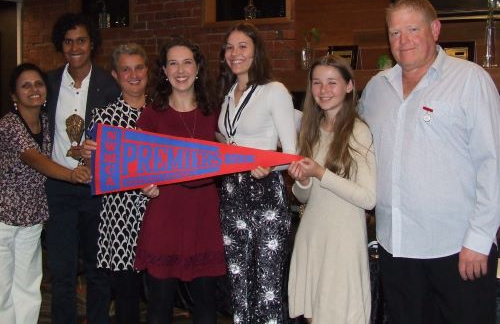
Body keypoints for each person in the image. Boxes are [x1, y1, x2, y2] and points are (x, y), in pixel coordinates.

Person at [360, 0, 500, 324]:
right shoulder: (377, 88)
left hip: (458, 250)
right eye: (395, 32)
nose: (403, 40)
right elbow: (348, 141)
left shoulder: (470, 80)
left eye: (412, 29)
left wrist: (480, 240)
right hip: (397, 249)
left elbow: (493, 162)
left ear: (435, 29)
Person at [133, 36, 226, 324]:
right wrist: (143, 185)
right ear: (163, 70)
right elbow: (136, 166)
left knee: (206, 309)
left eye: (187, 62)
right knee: (159, 308)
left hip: (204, 216)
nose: (180, 69)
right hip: (165, 216)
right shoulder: (151, 116)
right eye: (173, 63)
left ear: (198, 68)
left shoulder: (216, 112)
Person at [217, 22, 297, 324]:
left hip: (265, 195)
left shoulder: (273, 91)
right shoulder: (227, 96)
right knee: (238, 286)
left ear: (255, 52)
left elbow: (291, 153)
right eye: (229, 47)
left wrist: (268, 165)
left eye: (242, 46)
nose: (234, 53)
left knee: (267, 288)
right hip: (230, 195)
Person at [287, 55, 376, 323]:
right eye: (317, 83)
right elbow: (305, 197)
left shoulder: (358, 131)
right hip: (312, 237)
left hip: (343, 243)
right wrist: (302, 180)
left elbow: (368, 198)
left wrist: (320, 172)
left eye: (331, 82)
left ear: (349, 86)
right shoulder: (310, 130)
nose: (323, 90)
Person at [0, 63, 90, 324]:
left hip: (32, 219)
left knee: (29, 287)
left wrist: (84, 156)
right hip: (4, 220)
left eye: (38, 84)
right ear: (14, 96)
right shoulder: (8, 125)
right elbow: (35, 159)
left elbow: (65, 149)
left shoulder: (48, 123)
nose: (34, 89)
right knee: (3, 289)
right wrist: (72, 175)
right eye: (25, 86)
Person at [45, 13, 120, 324]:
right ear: (61, 45)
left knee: (98, 271)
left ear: (92, 44)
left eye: (81, 40)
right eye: (68, 41)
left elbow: (120, 139)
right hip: (59, 188)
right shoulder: (47, 83)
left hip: (95, 189)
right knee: (61, 272)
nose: (74, 47)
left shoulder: (109, 85)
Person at [82, 43, 150, 324]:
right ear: (115, 75)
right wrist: (87, 158)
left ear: (147, 71)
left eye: (139, 67)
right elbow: (91, 171)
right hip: (120, 219)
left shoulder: (163, 114)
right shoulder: (103, 118)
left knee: (160, 295)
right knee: (126, 299)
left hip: (158, 215)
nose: (133, 75)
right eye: (126, 69)